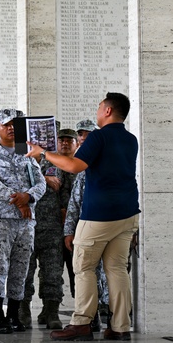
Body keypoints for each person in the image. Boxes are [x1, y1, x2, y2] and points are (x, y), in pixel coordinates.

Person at [26, 93, 139, 341]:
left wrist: (42, 153)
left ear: (108, 111)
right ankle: (120, 326)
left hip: (100, 214)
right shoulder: (131, 139)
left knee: (84, 267)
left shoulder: (99, 136)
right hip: (128, 213)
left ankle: (81, 324)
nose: (97, 111)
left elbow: (75, 166)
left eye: (100, 107)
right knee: (117, 269)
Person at [0, 108, 47, 333]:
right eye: (6, 125)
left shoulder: (26, 151)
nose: (11, 128)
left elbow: (41, 182)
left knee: (21, 268)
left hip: (25, 223)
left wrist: (30, 196)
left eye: (14, 124)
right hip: (0, 220)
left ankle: (14, 315)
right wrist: (19, 200)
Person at [21, 124, 77, 329]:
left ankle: (51, 310)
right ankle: (23, 309)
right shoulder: (20, 160)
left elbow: (64, 194)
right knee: (25, 271)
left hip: (51, 227)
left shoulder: (54, 161)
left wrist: (66, 223)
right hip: (25, 226)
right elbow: (14, 185)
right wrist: (43, 179)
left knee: (53, 272)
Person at [63, 119, 109, 332]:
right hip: (87, 227)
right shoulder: (82, 165)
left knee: (109, 274)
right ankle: (92, 317)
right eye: (81, 135)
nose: (83, 138)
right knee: (86, 272)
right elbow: (75, 201)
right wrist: (69, 230)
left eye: (87, 134)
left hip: (110, 226)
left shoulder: (109, 160)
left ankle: (112, 317)